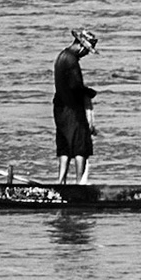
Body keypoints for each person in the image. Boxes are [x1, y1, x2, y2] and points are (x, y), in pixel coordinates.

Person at [53, 28, 100, 184]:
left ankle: (61, 181)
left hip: (60, 108)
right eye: (86, 51)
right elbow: (76, 86)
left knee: (65, 144)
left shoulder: (61, 56)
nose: (86, 54)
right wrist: (89, 92)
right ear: (80, 47)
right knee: (81, 145)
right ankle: (80, 183)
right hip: (73, 109)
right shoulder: (72, 61)